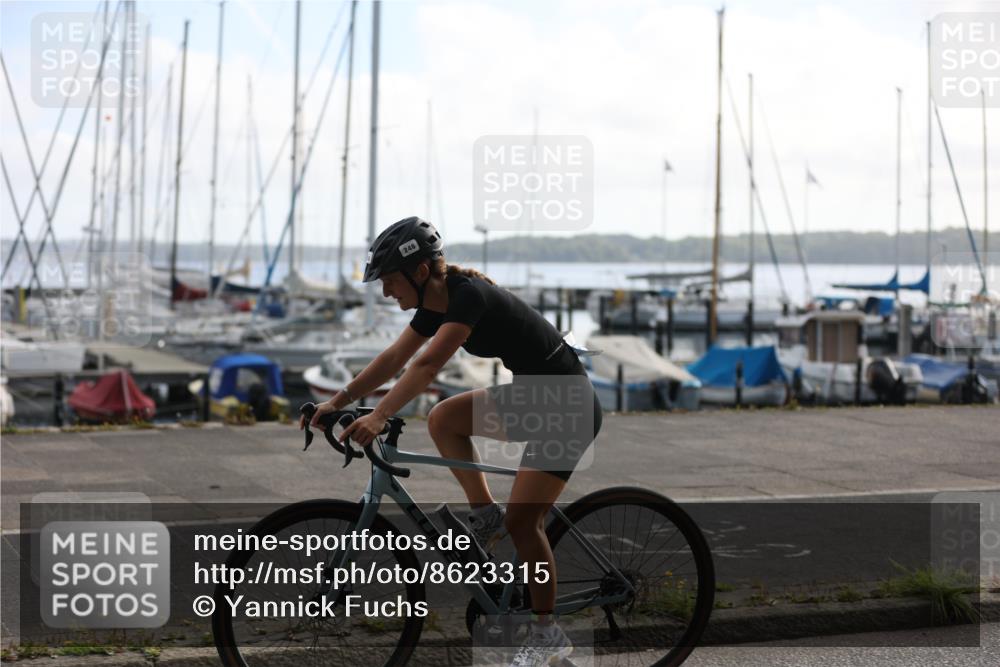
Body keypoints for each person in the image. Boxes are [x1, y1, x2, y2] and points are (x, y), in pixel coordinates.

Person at [299, 216, 602, 666]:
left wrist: (381, 416)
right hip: (535, 397)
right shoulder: (436, 304)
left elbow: (425, 367)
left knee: (526, 524)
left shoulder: (468, 297)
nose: (385, 292)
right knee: (444, 419)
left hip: (568, 407)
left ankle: (547, 633)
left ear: (420, 272)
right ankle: (485, 516)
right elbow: (394, 357)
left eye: (389, 281)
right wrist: (338, 401)